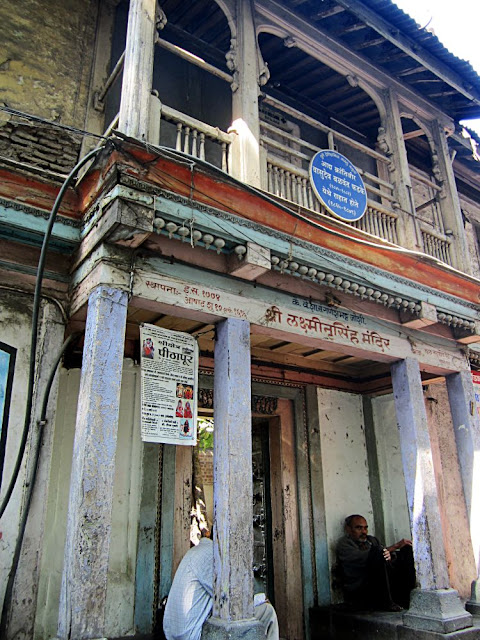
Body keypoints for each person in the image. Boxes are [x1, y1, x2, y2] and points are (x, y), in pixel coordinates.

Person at [163, 529, 279, 640]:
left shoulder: (196, 551)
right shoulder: (212, 555)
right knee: (267, 611)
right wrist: (261, 599)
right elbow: (230, 599)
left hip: (173, 634)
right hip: (192, 635)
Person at [336, 514, 416, 612]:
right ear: (348, 529)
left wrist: (391, 554)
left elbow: (384, 556)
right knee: (378, 551)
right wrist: (394, 547)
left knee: (407, 550)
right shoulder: (344, 544)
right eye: (359, 528)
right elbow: (366, 557)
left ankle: (407, 599)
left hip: (382, 582)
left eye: (365, 528)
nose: (363, 532)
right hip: (361, 587)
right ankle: (386, 603)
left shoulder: (371, 540)